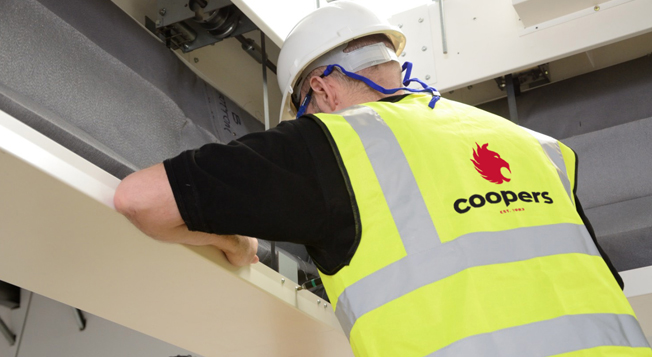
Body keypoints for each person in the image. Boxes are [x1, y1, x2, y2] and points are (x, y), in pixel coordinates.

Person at [114, 1, 651, 356]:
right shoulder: (539, 147)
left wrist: (234, 241)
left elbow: (140, 198)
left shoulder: (336, 141)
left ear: (321, 92)